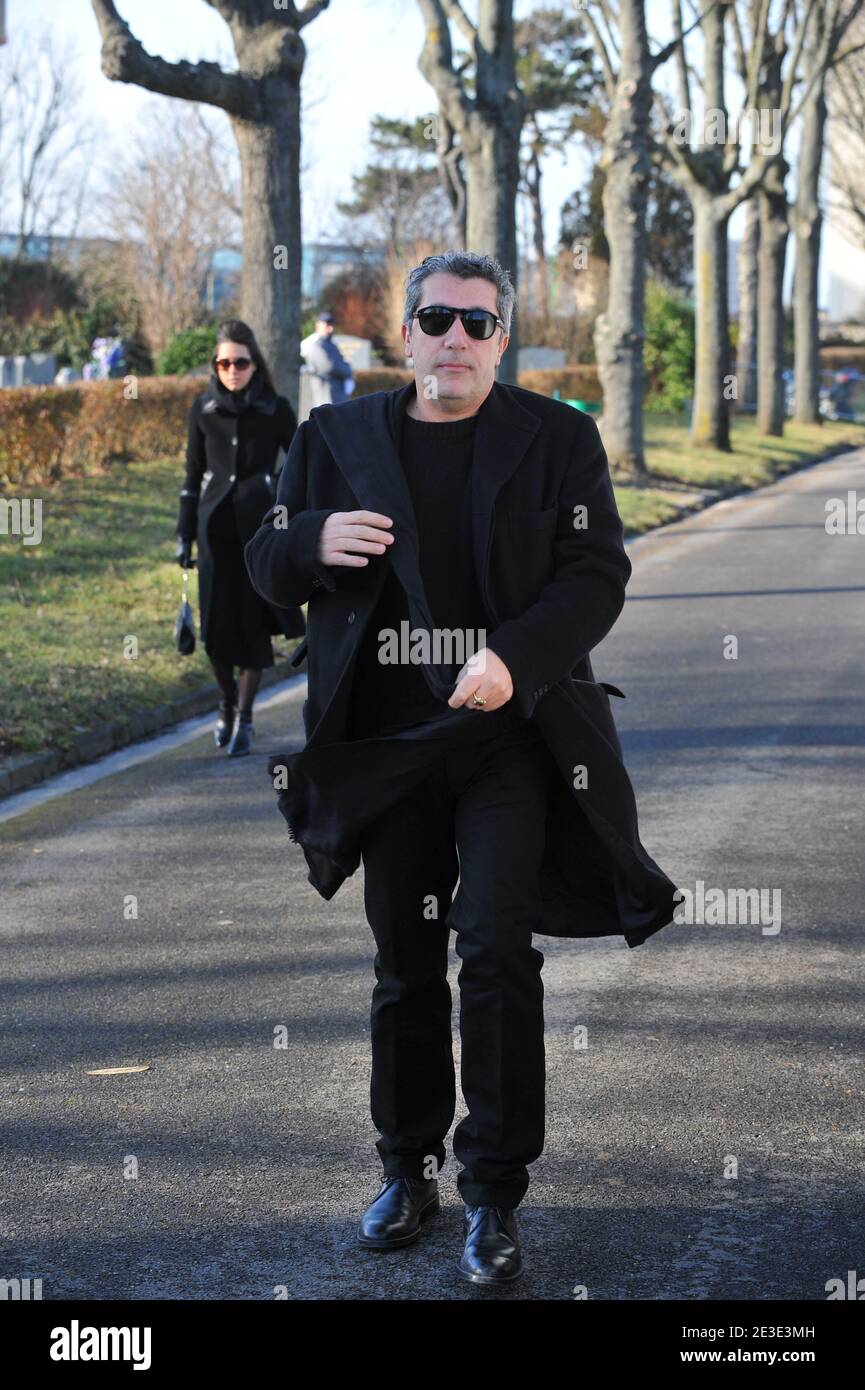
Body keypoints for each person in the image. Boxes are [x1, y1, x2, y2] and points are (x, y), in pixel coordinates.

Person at [244, 251, 680, 1285]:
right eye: (437, 318)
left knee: (491, 952)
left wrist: (512, 659)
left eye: (479, 324)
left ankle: (493, 1192)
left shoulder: (558, 440)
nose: (456, 338)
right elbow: (258, 565)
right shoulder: (332, 439)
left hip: (511, 744)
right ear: (406, 333)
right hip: (385, 750)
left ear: (502, 338)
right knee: (403, 964)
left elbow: (595, 575)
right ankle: (406, 1170)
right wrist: (308, 537)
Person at [175, 319, 305, 756]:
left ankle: (246, 718)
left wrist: (276, 494)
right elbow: (192, 477)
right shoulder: (203, 410)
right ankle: (226, 702)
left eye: (241, 362)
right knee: (215, 631)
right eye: (224, 362)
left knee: (251, 629)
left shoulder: (275, 408)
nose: (232, 370)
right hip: (214, 534)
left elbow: (302, 460)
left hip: (258, 534)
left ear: (255, 364)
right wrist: (183, 535)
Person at [305, 311, 355, 407]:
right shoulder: (316, 346)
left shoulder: (332, 345)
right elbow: (328, 367)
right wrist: (346, 370)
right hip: (325, 396)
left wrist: (346, 368)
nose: (331, 329)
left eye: (332, 325)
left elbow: (342, 364)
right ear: (318, 325)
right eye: (327, 325)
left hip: (338, 396)